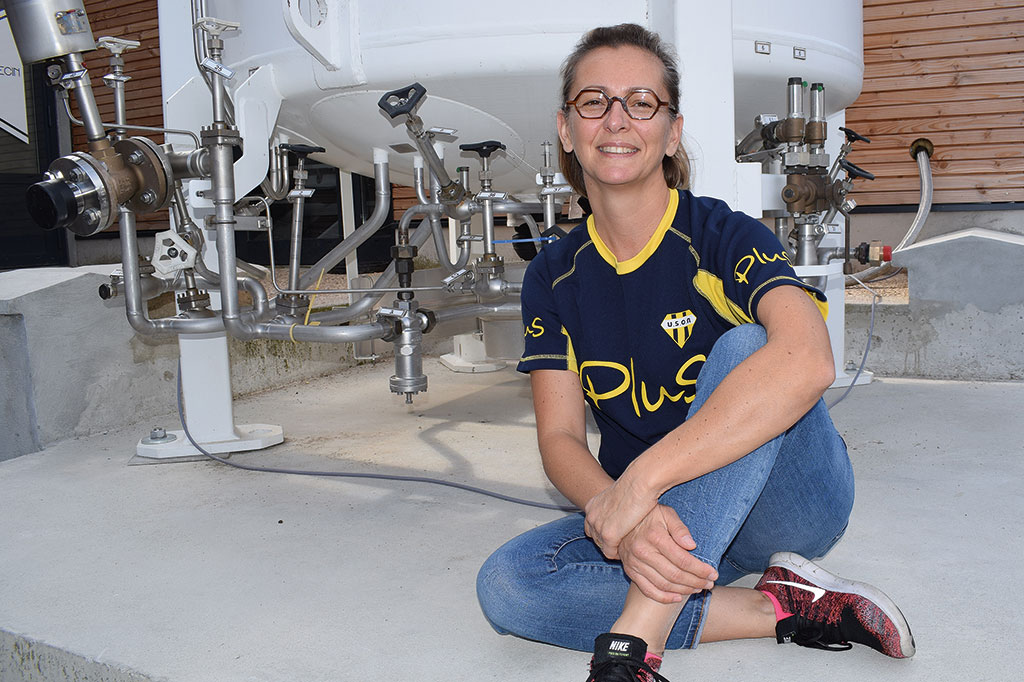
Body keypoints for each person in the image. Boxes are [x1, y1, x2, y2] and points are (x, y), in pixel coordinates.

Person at [475, 23, 915, 682]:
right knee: (510, 585)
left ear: (672, 131)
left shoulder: (721, 236)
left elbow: (809, 360)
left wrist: (643, 487)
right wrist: (626, 515)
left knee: (751, 345)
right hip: (661, 525)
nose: (616, 119)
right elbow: (560, 439)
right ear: (567, 129)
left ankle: (633, 647)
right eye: (593, 101)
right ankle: (787, 609)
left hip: (783, 509)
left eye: (640, 102)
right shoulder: (552, 275)